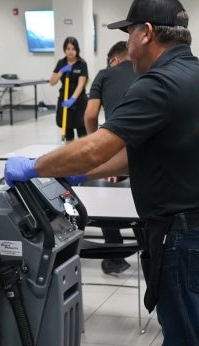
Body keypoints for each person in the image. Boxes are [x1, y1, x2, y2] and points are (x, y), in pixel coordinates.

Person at [5, 1, 199, 346]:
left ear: (146, 32)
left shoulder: (160, 84)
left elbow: (96, 145)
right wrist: (81, 174)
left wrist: (35, 166)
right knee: (189, 336)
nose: (126, 45)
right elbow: (141, 151)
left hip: (189, 233)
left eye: (128, 32)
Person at [85, 41, 139, 275]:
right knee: (140, 195)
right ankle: (149, 248)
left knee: (106, 194)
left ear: (114, 59)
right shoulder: (146, 71)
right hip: (146, 146)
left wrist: (96, 142)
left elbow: (90, 115)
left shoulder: (105, 74)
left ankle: (114, 256)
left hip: (117, 144)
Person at [48, 37, 89, 141]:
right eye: (68, 48)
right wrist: (61, 71)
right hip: (64, 98)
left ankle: (82, 155)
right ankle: (69, 154)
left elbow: (81, 84)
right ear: (64, 50)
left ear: (77, 50)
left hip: (79, 100)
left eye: (73, 49)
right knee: (67, 130)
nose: (70, 51)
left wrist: (72, 99)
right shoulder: (61, 63)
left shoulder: (82, 64)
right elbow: (52, 82)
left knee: (82, 131)